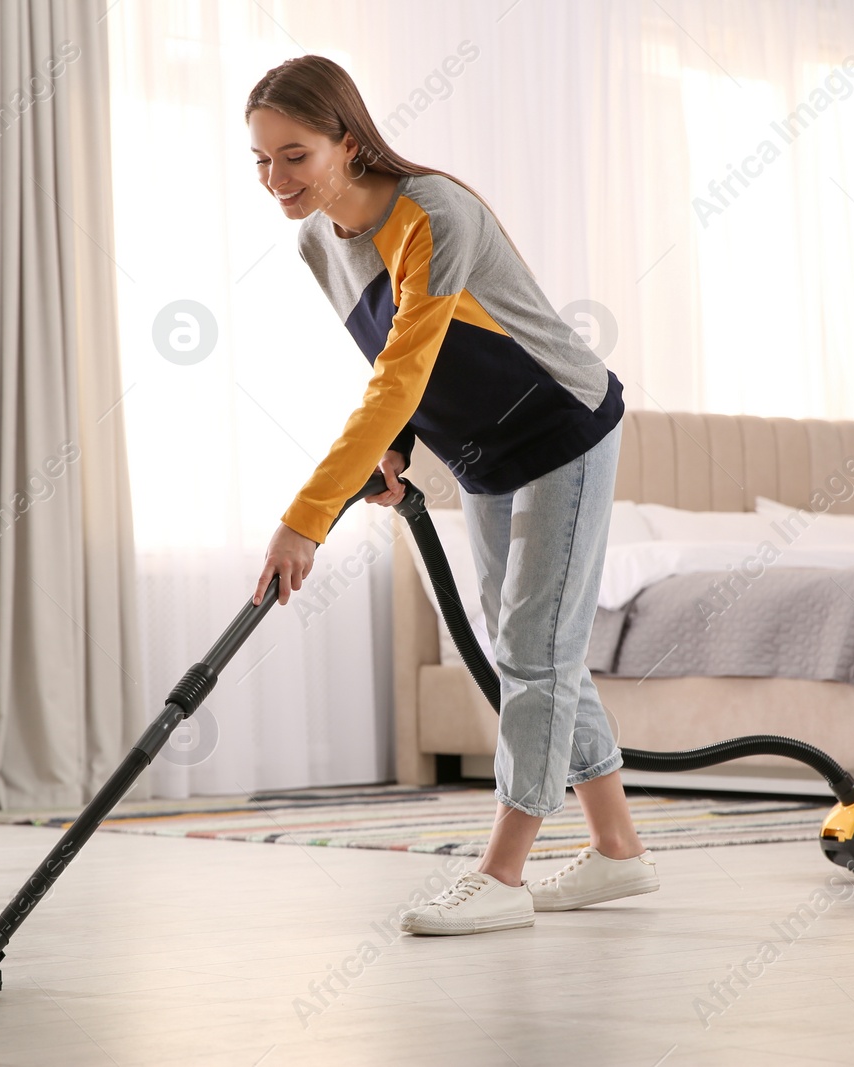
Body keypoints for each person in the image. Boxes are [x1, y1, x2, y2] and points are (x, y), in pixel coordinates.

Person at [246, 55, 658, 935]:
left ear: (347, 144)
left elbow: (401, 371)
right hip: (482, 450)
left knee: (532, 648)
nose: (277, 179)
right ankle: (618, 852)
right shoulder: (318, 238)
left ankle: (502, 876)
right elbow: (392, 358)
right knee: (537, 644)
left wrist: (303, 520)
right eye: (262, 161)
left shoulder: (433, 211)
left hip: (559, 425)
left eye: (295, 155)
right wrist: (396, 448)